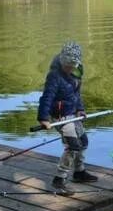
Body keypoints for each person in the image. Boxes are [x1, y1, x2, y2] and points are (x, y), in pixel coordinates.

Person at [37, 41, 98, 195]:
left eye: (72, 65)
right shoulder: (54, 75)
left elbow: (76, 94)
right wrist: (43, 118)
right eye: (67, 65)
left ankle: (79, 172)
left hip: (72, 113)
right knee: (73, 146)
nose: (69, 68)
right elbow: (47, 98)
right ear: (62, 60)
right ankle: (59, 179)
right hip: (60, 116)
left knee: (83, 142)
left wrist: (80, 109)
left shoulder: (77, 72)